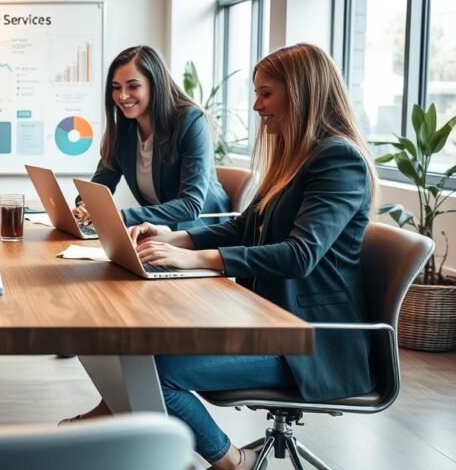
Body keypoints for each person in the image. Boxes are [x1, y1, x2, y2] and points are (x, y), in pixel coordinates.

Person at [67, 44, 378, 470]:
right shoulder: (295, 158)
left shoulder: (339, 160)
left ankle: (232, 461)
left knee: (156, 370)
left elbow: (300, 255)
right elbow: (243, 226)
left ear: (300, 92)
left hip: (308, 343)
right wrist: (176, 238)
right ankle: (122, 431)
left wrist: (202, 259)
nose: (256, 106)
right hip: (267, 320)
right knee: (140, 347)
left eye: (266, 94)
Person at [72, 45, 229, 230]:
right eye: (116, 87)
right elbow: (101, 185)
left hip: (202, 230)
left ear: (155, 85)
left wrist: (123, 216)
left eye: (133, 86)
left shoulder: (191, 121)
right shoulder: (123, 131)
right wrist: (87, 205)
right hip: (159, 230)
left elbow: (191, 205)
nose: (122, 96)